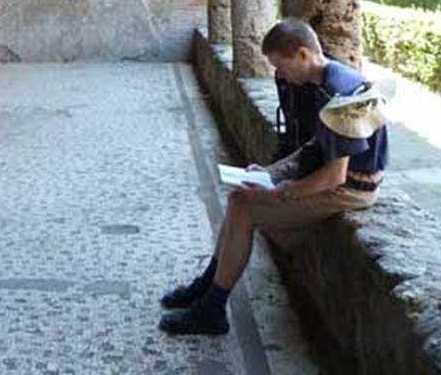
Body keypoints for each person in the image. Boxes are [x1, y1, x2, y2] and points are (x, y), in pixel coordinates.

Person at [159, 18, 390, 335]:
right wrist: (269, 173)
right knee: (240, 196)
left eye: (282, 66)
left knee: (244, 206)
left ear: (304, 55)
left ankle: (212, 308)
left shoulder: (339, 93)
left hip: (353, 189)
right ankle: (207, 289)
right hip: (337, 178)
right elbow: (314, 147)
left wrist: (284, 191)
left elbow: (335, 177)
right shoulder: (323, 81)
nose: (280, 75)